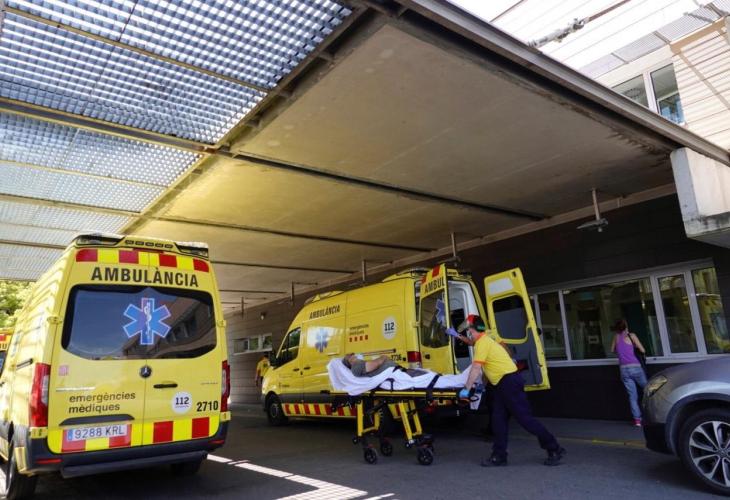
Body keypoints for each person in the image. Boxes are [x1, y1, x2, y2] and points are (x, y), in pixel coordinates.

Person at [461, 314, 565, 467]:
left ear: (472, 330)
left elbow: (476, 367)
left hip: (508, 382)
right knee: (498, 420)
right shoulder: (485, 341)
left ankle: (554, 448)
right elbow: (487, 368)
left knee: (525, 419)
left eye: (468, 329)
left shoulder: (482, 342)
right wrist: (481, 386)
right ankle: (499, 456)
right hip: (502, 383)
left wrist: (466, 389)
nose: (468, 333)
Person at [610, 319, 647, 426]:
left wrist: (622, 351)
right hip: (635, 367)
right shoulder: (632, 336)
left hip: (623, 369)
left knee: (632, 396)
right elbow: (643, 350)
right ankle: (652, 414)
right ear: (626, 326)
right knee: (648, 390)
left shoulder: (616, 337)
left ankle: (637, 420)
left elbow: (612, 350)